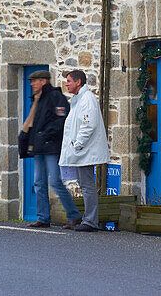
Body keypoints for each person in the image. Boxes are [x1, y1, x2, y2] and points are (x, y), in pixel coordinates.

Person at [20, 69, 81, 229]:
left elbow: (61, 120)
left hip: (52, 147)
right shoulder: (37, 99)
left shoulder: (55, 97)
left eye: (35, 81)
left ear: (43, 81)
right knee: (38, 182)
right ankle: (43, 218)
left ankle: (74, 216)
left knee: (55, 181)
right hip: (39, 148)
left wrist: (45, 135)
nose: (32, 84)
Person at [59, 69, 110, 232]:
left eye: (69, 81)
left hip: (84, 151)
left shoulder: (86, 99)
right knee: (84, 184)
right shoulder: (79, 99)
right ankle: (89, 219)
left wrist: (77, 144)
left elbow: (88, 125)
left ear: (78, 82)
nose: (66, 84)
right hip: (81, 151)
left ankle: (90, 221)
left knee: (87, 185)